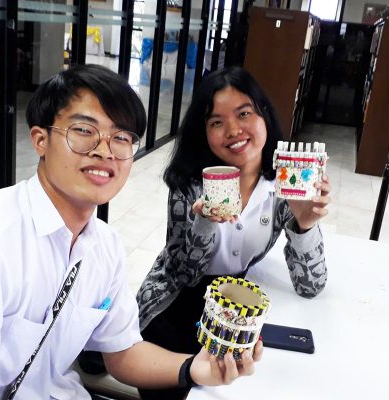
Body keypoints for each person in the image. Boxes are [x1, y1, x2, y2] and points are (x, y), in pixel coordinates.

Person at [0, 64, 262, 400]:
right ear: (40, 140)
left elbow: (122, 353)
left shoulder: (104, 245)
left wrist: (195, 368)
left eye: (121, 138)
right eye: (84, 131)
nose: (105, 151)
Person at [136, 66, 331, 399]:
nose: (234, 130)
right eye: (216, 122)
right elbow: (183, 274)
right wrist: (204, 222)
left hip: (231, 306)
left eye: (244, 114)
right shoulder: (190, 184)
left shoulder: (284, 185)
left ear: (264, 114)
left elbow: (311, 286)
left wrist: (304, 224)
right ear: (204, 132)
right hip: (175, 303)